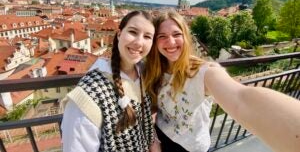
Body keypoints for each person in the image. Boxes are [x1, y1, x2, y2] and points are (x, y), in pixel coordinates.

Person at [145, 10, 300, 152]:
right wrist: (154, 141)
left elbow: (240, 98)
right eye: (162, 36)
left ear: (185, 37)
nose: (171, 42)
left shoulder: (203, 72)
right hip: (161, 136)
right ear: (155, 42)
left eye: (176, 34)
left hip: (189, 147)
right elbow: (151, 106)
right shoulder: (155, 70)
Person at [61, 10, 159, 152]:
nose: (139, 42)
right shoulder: (87, 95)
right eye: (133, 32)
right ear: (119, 35)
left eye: (147, 36)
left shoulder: (143, 75)